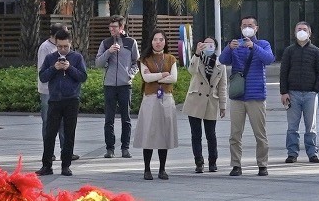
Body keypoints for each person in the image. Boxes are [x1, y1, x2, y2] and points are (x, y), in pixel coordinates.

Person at [223, 17, 275, 176]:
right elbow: (223, 60)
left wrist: (254, 46)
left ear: (256, 28)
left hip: (256, 96)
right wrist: (229, 48)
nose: (247, 28)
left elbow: (269, 59)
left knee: (260, 134)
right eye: (244, 25)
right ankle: (236, 165)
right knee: (235, 134)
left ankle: (262, 164)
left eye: (250, 25)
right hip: (238, 96)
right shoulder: (235, 44)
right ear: (240, 27)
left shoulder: (263, 44)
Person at [278, 20, 319, 165]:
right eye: (299, 29)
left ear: (309, 33)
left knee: (310, 127)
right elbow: (283, 72)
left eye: (304, 29)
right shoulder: (289, 51)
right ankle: (292, 153)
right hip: (292, 93)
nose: (301, 31)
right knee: (292, 127)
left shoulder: (316, 51)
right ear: (295, 33)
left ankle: (312, 153)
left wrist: (315, 89)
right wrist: (284, 92)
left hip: (310, 94)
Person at [38, 29, 88, 176]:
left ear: (70, 43)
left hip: (71, 100)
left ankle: (66, 165)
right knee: (50, 134)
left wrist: (69, 68)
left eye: (65, 46)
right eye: (60, 46)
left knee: (69, 133)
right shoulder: (50, 58)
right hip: (54, 100)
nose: (63, 49)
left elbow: (83, 77)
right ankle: (46, 165)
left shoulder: (77, 57)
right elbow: (43, 77)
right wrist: (54, 68)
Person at [136, 33, 180, 181]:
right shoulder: (144, 59)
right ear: (151, 41)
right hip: (150, 99)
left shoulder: (171, 59)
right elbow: (146, 78)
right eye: (155, 39)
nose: (158, 42)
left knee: (164, 133)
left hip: (166, 98)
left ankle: (162, 169)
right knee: (148, 133)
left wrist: (155, 76)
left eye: (161, 40)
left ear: (165, 42)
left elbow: (173, 78)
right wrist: (163, 74)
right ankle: (147, 169)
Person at [95, 20, 140, 159]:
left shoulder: (131, 42)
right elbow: (98, 63)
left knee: (126, 118)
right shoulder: (105, 43)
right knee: (109, 119)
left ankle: (125, 148)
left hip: (125, 85)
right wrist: (108, 52)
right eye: (110, 26)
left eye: (114, 26)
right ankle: (110, 149)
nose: (111, 29)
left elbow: (136, 63)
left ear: (121, 27)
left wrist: (130, 75)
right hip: (109, 85)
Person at [184, 36, 226, 173]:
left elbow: (222, 86)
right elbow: (191, 70)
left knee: (211, 134)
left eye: (211, 44)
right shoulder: (197, 59)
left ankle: (213, 162)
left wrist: (223, 106)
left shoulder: (220, 64)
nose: (208, 46)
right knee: (196, 134)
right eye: (205, 44)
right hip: (195, 100)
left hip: (211, 101)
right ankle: (199, 162)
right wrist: (197, 53)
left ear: (215, 47)